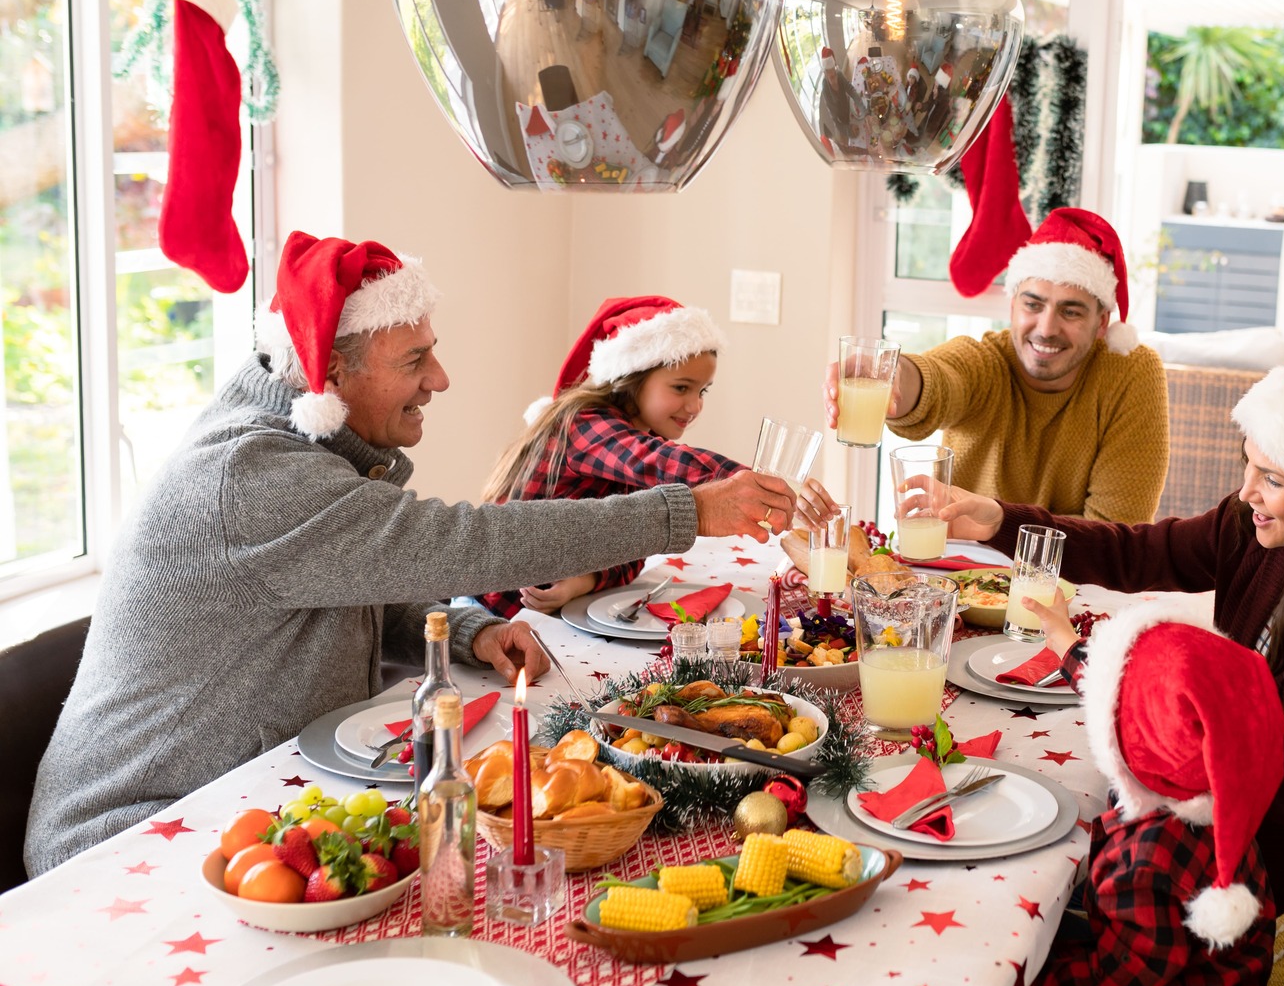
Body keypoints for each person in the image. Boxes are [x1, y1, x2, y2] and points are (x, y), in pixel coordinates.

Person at [26, 234, 794, 874]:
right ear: (329, 372)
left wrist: (469, 634)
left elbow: (357, 579)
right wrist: (681, 511)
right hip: (137, 835)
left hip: (253, 797)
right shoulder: (253, 476)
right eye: (413, 361)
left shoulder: (304, 450)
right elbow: (464, 541)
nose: (441, 379)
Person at [942, 353, 1284, 912]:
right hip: (1237, 818)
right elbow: (1140, 551)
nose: (1247, 494)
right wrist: (1003, 522)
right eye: (1250, 466)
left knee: (1024, 873)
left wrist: (1191, 719)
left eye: (1272, 479)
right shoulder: (1264, 530)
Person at [1022, 604, 1284, 986]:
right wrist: (1069, 648)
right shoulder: (1213, 782)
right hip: (1210, 979)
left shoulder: (1148, 859)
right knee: (1039, 921)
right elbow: (1148, 692)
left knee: (1016, 955)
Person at [477, 295, 829, 618]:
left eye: (702, 390)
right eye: (681, 387)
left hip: (543, 615)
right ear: (631, 377)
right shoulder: (585, 426)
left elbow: (635, 544)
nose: (695, 406)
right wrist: (761, 487)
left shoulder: (631, 437)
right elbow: (662, 462)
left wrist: (583, 581)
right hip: (492, 612)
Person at [822, 207, 1169, 523]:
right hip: (965, 574)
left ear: (1102, 322)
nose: (1046, 329)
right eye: (1033, 305)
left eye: (1071, 311)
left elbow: (1114, 535)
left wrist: (999, 524)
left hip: (1077, 582)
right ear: (1012, 306)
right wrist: (893, 375)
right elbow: (940, 379)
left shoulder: (1130, 372)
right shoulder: (987, 363)